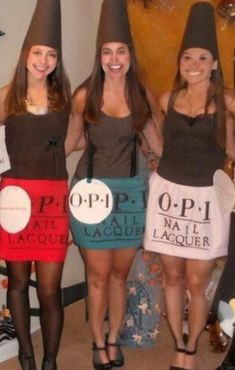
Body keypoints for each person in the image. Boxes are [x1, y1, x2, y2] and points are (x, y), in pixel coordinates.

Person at [65, 0, 161, 368]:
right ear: (99, 56)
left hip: (131, 197)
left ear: (130, 55)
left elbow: (160, 148)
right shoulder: (84, 96)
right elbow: (71, 142)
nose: (114, 58)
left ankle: (112, 337)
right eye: (107, 51)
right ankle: (96, 342)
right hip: (91, 196)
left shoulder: (142, 96)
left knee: (120, 275)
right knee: (98, 276)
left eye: (121, 50)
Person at [143, 2, 235, 370]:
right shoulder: (167, 100)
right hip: (169, 196)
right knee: (172, 277)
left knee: (197, 282)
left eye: (201, 57)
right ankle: (178, 343)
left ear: (214, 63)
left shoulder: (227, 102)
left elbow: (230, 150)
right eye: (187, 58)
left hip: (207, 200)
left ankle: (191, 348)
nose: (193, 65)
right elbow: (156, 140)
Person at [0, 1, 71, 369]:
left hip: (52, 203)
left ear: (57, 60)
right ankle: (26, 356)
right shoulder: (5, 96)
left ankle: (51, 360)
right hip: (13, 201)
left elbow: (76, 143)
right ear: (26, 53)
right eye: (37, 52)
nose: (43, 60)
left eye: (51, 54)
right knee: (16, 282)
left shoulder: (65, 100)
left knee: (48, 289)